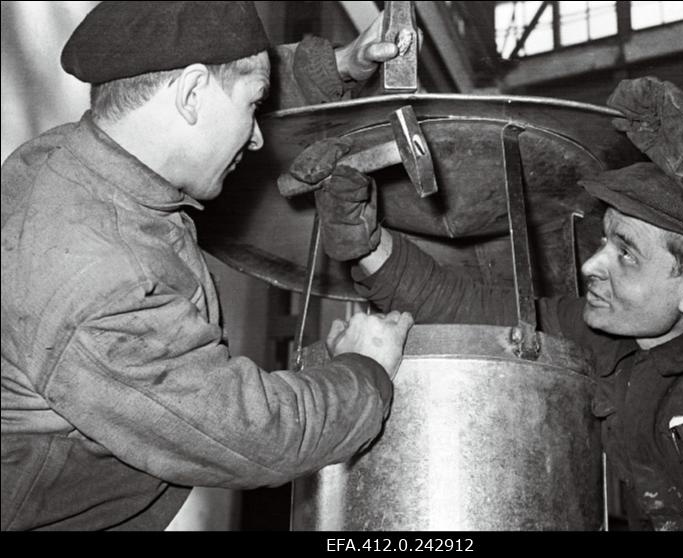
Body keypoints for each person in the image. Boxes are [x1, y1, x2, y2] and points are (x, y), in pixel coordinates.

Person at [292, 77, 683, 530]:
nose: (591, 265)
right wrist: (367, 247)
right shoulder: (608, 339)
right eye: (604, 241)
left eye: (625, 254)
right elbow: (466, 306)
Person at [1, 1, 414, 531]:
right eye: (253, 107)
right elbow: (253, 434)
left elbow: (221, 69)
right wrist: (365, 370)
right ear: (191, 94)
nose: (259, 136)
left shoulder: (69, 160)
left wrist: (338, 66)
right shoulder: (100, 277)